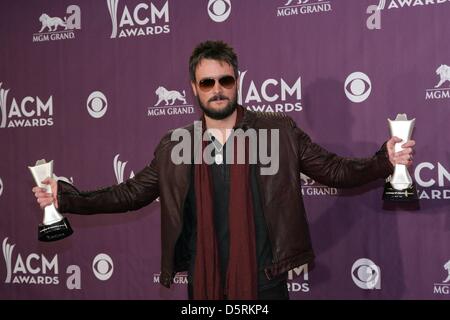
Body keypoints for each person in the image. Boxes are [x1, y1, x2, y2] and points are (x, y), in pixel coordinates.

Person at [32, 40, 415, 300]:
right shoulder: (176, 145)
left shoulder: (277, 130)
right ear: (193, 89)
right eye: (207, 82)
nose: (217, 88)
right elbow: (129, 193)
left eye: (225, 79)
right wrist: (66, 197)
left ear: (237, 81)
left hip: (264, 279)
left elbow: (334, 171)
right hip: (204, 281)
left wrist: (384, 160)